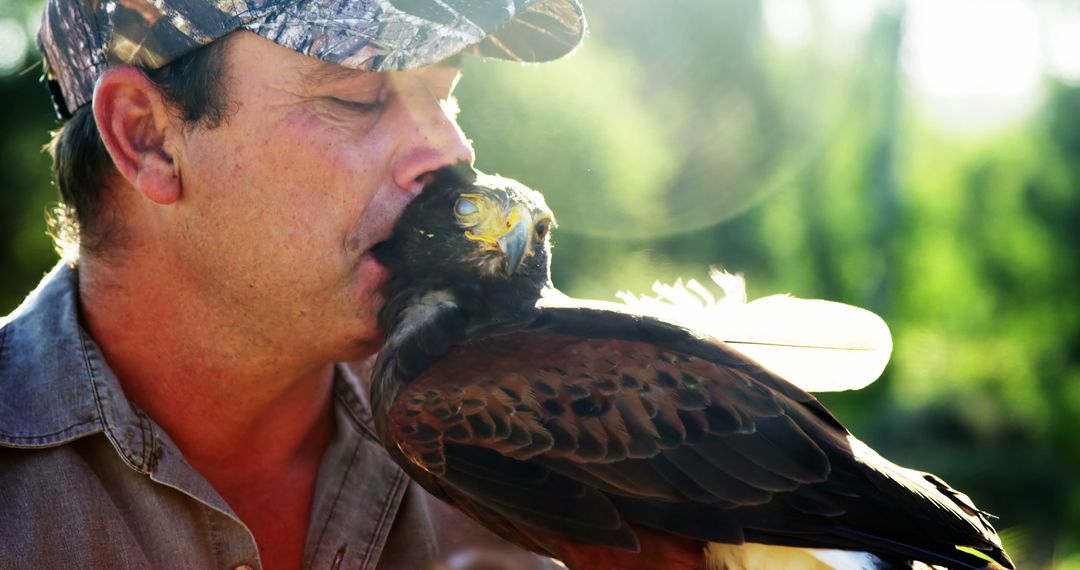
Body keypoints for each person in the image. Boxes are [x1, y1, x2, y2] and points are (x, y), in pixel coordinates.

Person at [0, 1, 584, 568]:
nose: (451, 149)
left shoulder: (533, 438)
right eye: (355, 96)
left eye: (444, 93)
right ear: (145, 137)